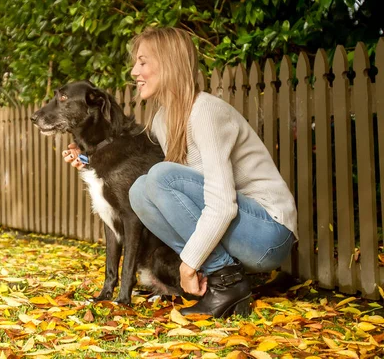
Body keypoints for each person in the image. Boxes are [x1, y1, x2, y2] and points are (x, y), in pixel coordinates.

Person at [62, 27, 297, 318]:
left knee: (160, 178)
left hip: (268, 233)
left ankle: (227, 282)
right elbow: (173, 193)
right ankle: (225, 283)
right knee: (140, 190)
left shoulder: (206, 112)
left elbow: (222, 203)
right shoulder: (163, 119)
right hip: (238, 232)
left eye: (143, 62)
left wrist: (189, 263)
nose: (134, 71)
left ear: (169, 63)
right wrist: (88, 159)